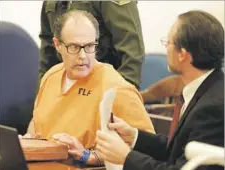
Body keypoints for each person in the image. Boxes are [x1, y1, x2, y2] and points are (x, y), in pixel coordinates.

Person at [96, 10, 224, 170]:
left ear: (182, 54)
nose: (166, 49)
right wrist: (134, 136)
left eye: (168, 43)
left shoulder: (213, 107)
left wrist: (126, 157)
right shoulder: (207, 88)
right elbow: (178, 150)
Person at [24, 10, 154, 165]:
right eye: (74, 47)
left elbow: (145, 153)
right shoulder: (51, 76)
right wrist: (27, 142)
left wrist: (87, 155)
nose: (83, 56)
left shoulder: (116, 88)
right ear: (57, 45)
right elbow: (37, 122)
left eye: (90, 46)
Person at [39, 1, 145, 88]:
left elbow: (132, 52)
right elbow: (48, 49)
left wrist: (119, 96)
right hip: (68, 92)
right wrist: (44, 91)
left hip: (105, 88)